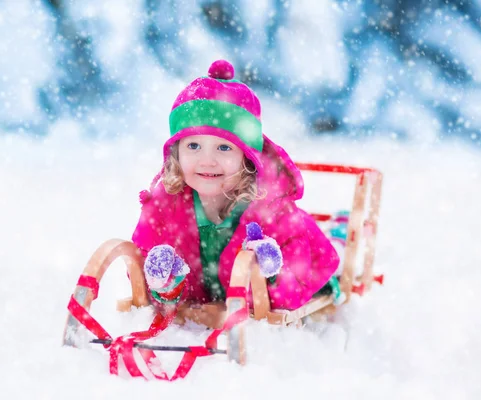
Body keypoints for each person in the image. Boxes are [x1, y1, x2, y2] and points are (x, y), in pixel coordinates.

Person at [131, 60, 340, 312]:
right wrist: (165, 283)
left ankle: (339, 232)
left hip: (312, 259)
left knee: (333, 254)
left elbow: (295, 283)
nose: (207, 161)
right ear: (176, 153)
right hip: (215, 296)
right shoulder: (165, 204)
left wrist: (270, 274)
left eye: (224, 147)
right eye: (193, 146)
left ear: (247, 157)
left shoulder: (272, 208)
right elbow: (142, 259)